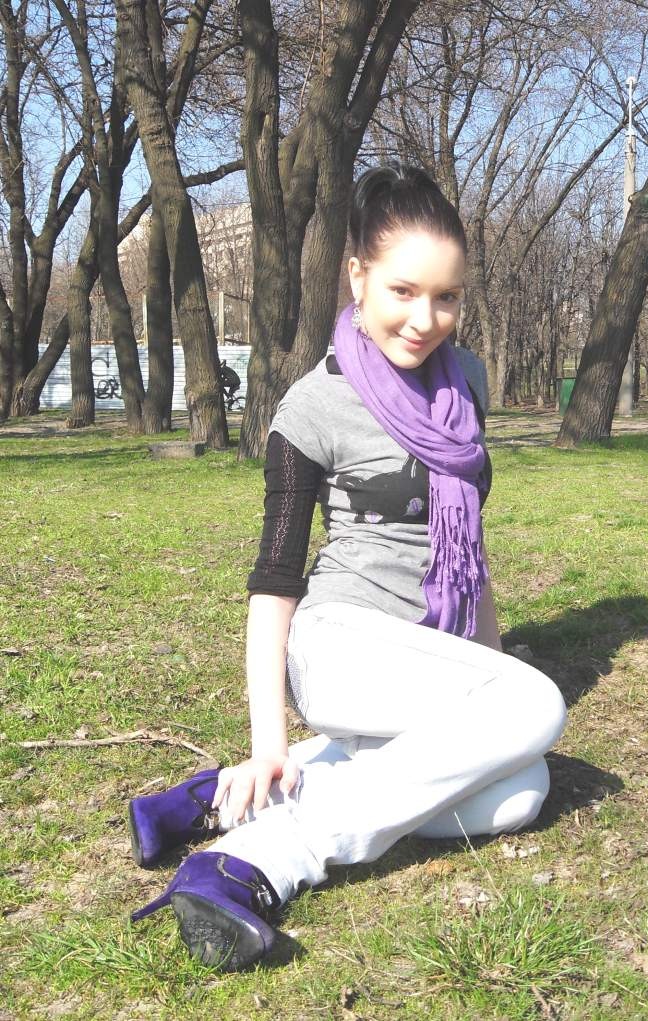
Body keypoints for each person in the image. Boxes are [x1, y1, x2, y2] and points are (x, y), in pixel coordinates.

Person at [128, 163, 567, 972]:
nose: (426, 319)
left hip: (427, 651)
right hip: (338, 648)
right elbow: (274, 582)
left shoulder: (466, 381)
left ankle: (219, 799)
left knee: (519, 791)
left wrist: (488, 665)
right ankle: (260, 858)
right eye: (404, 291)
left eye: (447, 297)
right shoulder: (310, 406)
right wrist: (270, 738)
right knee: (536, 703)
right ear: (358, 276)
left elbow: (467, 546)